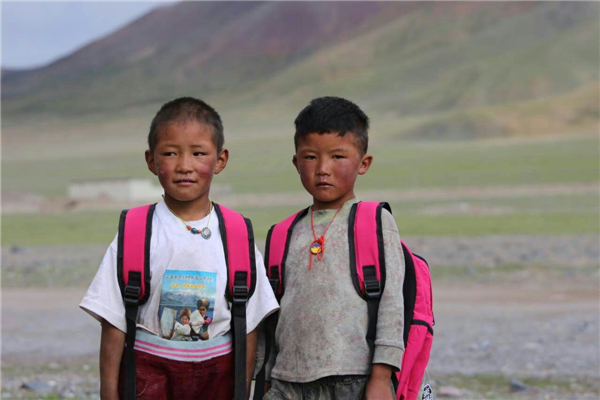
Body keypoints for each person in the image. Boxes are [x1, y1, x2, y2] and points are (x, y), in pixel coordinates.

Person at [80, 97, 279, 400]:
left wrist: (243, 392)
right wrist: (108, 393)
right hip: (148, 375)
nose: (185, 166)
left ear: (220, 160)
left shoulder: (237, 234)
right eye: (170, 153)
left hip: (219, 376)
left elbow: (249, 326)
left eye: (198, 153)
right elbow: (113, 321)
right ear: (151, 161)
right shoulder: (136, 231)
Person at [264, 96, 405, 400]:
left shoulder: (374, 221)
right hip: (286, 381)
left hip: (352, 379)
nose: (323, 169)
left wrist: (382, 377)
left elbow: (392, 303)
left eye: (337, 156)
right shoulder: (282, 234)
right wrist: (265, 377)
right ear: (296, 162)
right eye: (310, 157)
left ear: (363, 163)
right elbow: (271, 316)